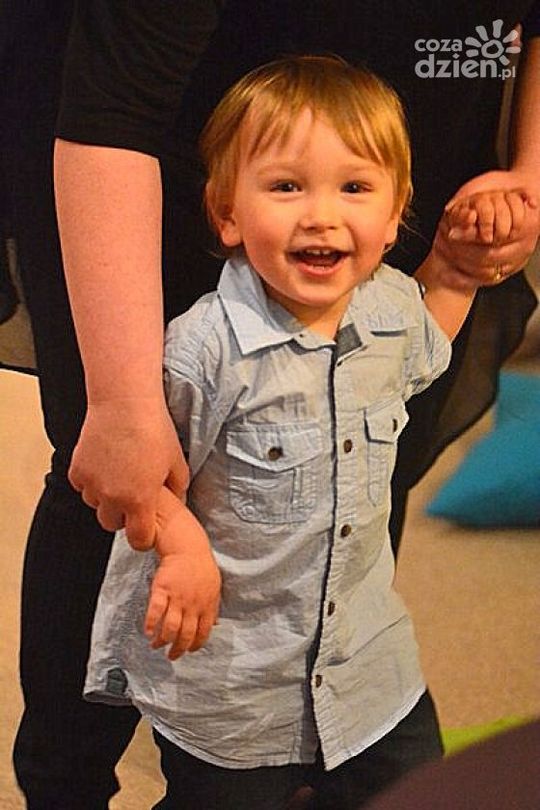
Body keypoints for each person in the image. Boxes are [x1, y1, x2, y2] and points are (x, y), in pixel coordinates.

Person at [5, 3, 539, 807]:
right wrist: (181, 541)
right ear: (225, 213)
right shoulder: (198, 348)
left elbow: (424, 342)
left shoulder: (391, 309)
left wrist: (463, 266)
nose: (322, 213)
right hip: (233, 701)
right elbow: (138, 474)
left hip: (369, 679)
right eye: (288, 189)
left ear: (397, 214)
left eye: (354, 190)